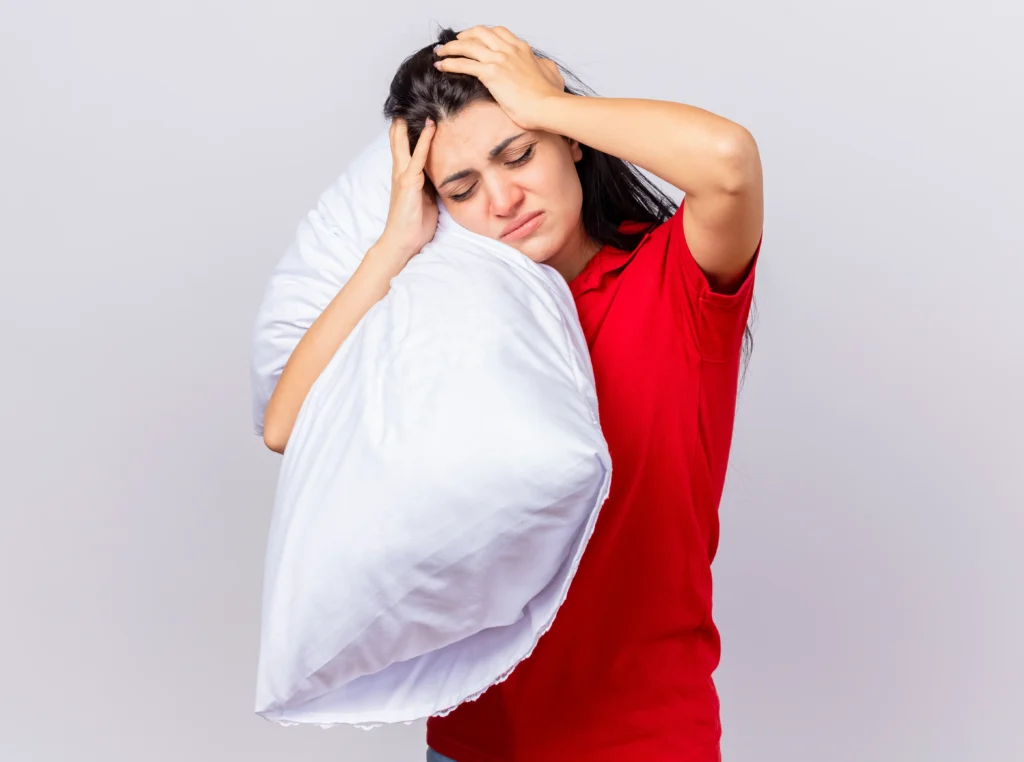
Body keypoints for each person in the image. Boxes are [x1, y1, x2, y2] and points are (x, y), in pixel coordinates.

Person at [263, 24, 763, 762]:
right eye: (462, 188)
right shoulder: (442, 325)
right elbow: (287, 426)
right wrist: (394, 244)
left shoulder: (670, 281)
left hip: (644, 740)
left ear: (568, 140)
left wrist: (543, 100)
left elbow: (728, 162)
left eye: (519, 153)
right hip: (473, 745)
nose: (502, 198)